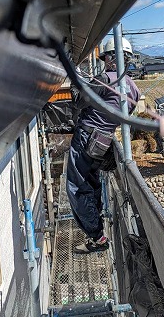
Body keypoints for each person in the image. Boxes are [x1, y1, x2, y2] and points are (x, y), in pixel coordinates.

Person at [67, 37, 141, 254]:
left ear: (111, 58)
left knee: (77, 186)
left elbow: (78, 101)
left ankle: (96, 235)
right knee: (91, 182)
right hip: (103, 141)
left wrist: (76, 81)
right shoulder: (134, 89)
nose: (106, 62)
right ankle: (96, 233)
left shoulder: (105, 79)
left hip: (86, 137)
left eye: (107, 57)